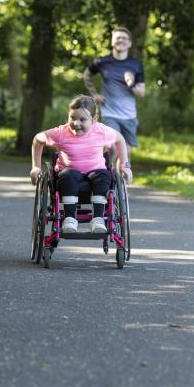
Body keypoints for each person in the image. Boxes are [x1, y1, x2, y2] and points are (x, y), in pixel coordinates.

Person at [29, 95, 132, 234]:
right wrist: (35, 167)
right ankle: (70, 218)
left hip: (96, 173)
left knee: (103, 175)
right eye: (73, 118)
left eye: (82, 119)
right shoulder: (61, 133)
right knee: (68, 174)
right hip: (68, 176)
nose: (76, 123)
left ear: (94, 119)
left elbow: (120, 139)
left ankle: (98, 219)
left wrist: (126, 166)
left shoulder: (101, 131)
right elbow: (38, 139)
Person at [82, 26, 145, 158]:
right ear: (112, 41)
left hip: (129, 115)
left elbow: (141, 92)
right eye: (117, 38)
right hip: (109, 113)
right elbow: (86, 75)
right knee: (113, 149)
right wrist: (94, 94)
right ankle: (110, 177)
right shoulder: (102, 62)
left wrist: (131, 84)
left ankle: (123, 178)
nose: (121, 40)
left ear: (129, 43)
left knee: (126, 151)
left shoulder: (136, 64)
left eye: (124, 38)